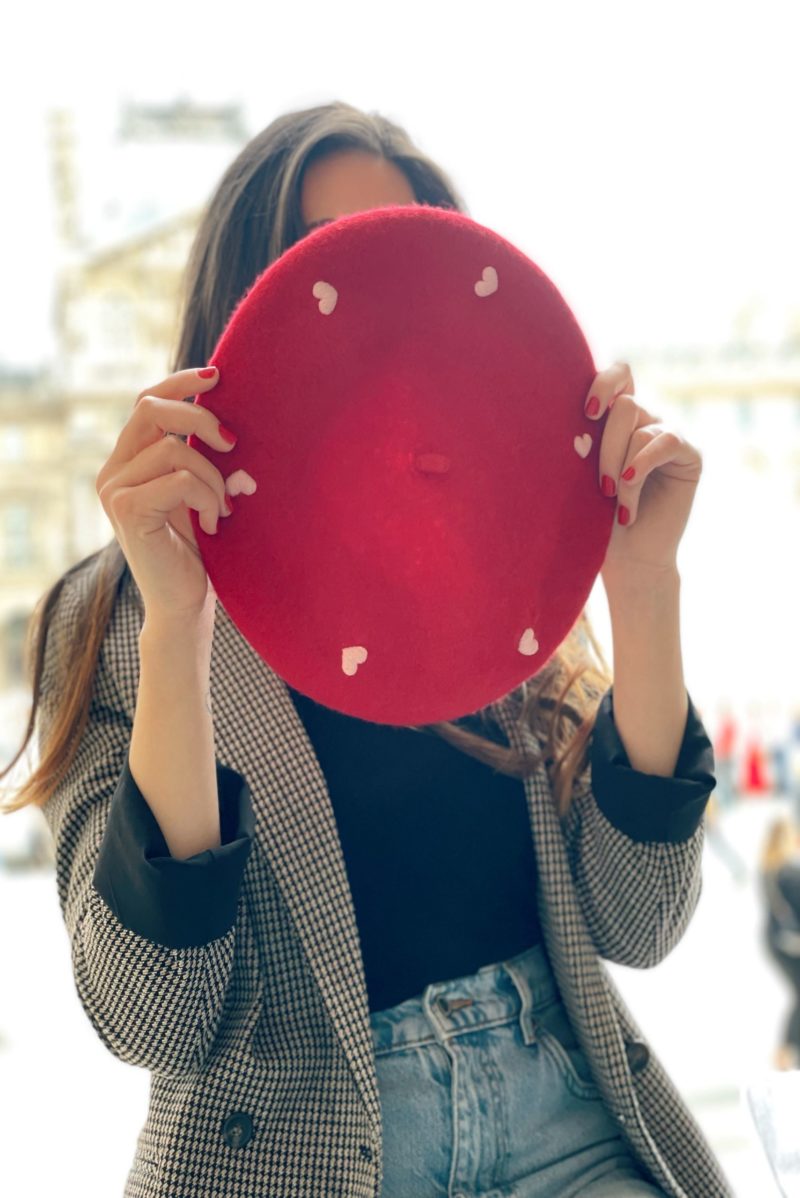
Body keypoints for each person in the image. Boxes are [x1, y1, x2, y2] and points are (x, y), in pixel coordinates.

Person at [0, 102, 734, 1197]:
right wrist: (181, 630)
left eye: (413, 264)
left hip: (560, 1115)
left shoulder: (501, 571)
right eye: (325, 266)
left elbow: (639, 922)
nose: (376, 317)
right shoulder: (112, 616)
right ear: (241, 305)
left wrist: (639, 585)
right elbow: (155, 1016)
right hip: (300, 1157)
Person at [759, 815, 800, 1070]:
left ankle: (785, 1052)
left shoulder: (768, 869)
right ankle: (785, 1052)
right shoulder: (789, 872)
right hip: (791, 944)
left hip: (776, 942)